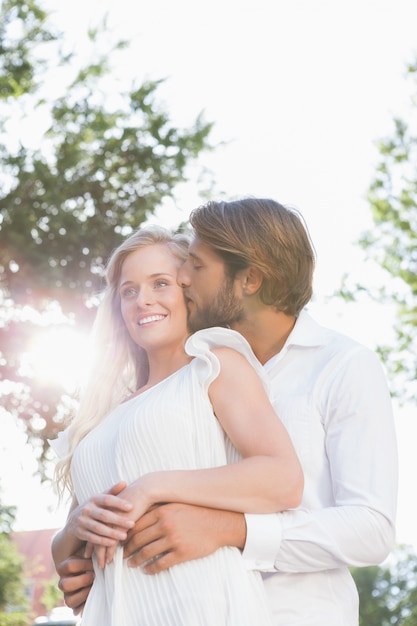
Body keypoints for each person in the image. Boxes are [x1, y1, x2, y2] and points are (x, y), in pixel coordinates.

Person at [56, 197, 398, 625]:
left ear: (248, 280)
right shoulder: (180, 379)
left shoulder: (340, 365)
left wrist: (230, 529)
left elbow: (371, 529)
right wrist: (81, 554)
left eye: (194, 268)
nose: (182, 277)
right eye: (131, 289)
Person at [50, 224, 304, 626]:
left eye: (160, 283)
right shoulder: (102, 417)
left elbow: (283, 479)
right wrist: (74, 525)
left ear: (188, 291)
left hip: (200, 607)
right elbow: (70, 561)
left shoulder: (216, 366)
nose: (142, 300)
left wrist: (153, 486)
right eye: (129, 291)